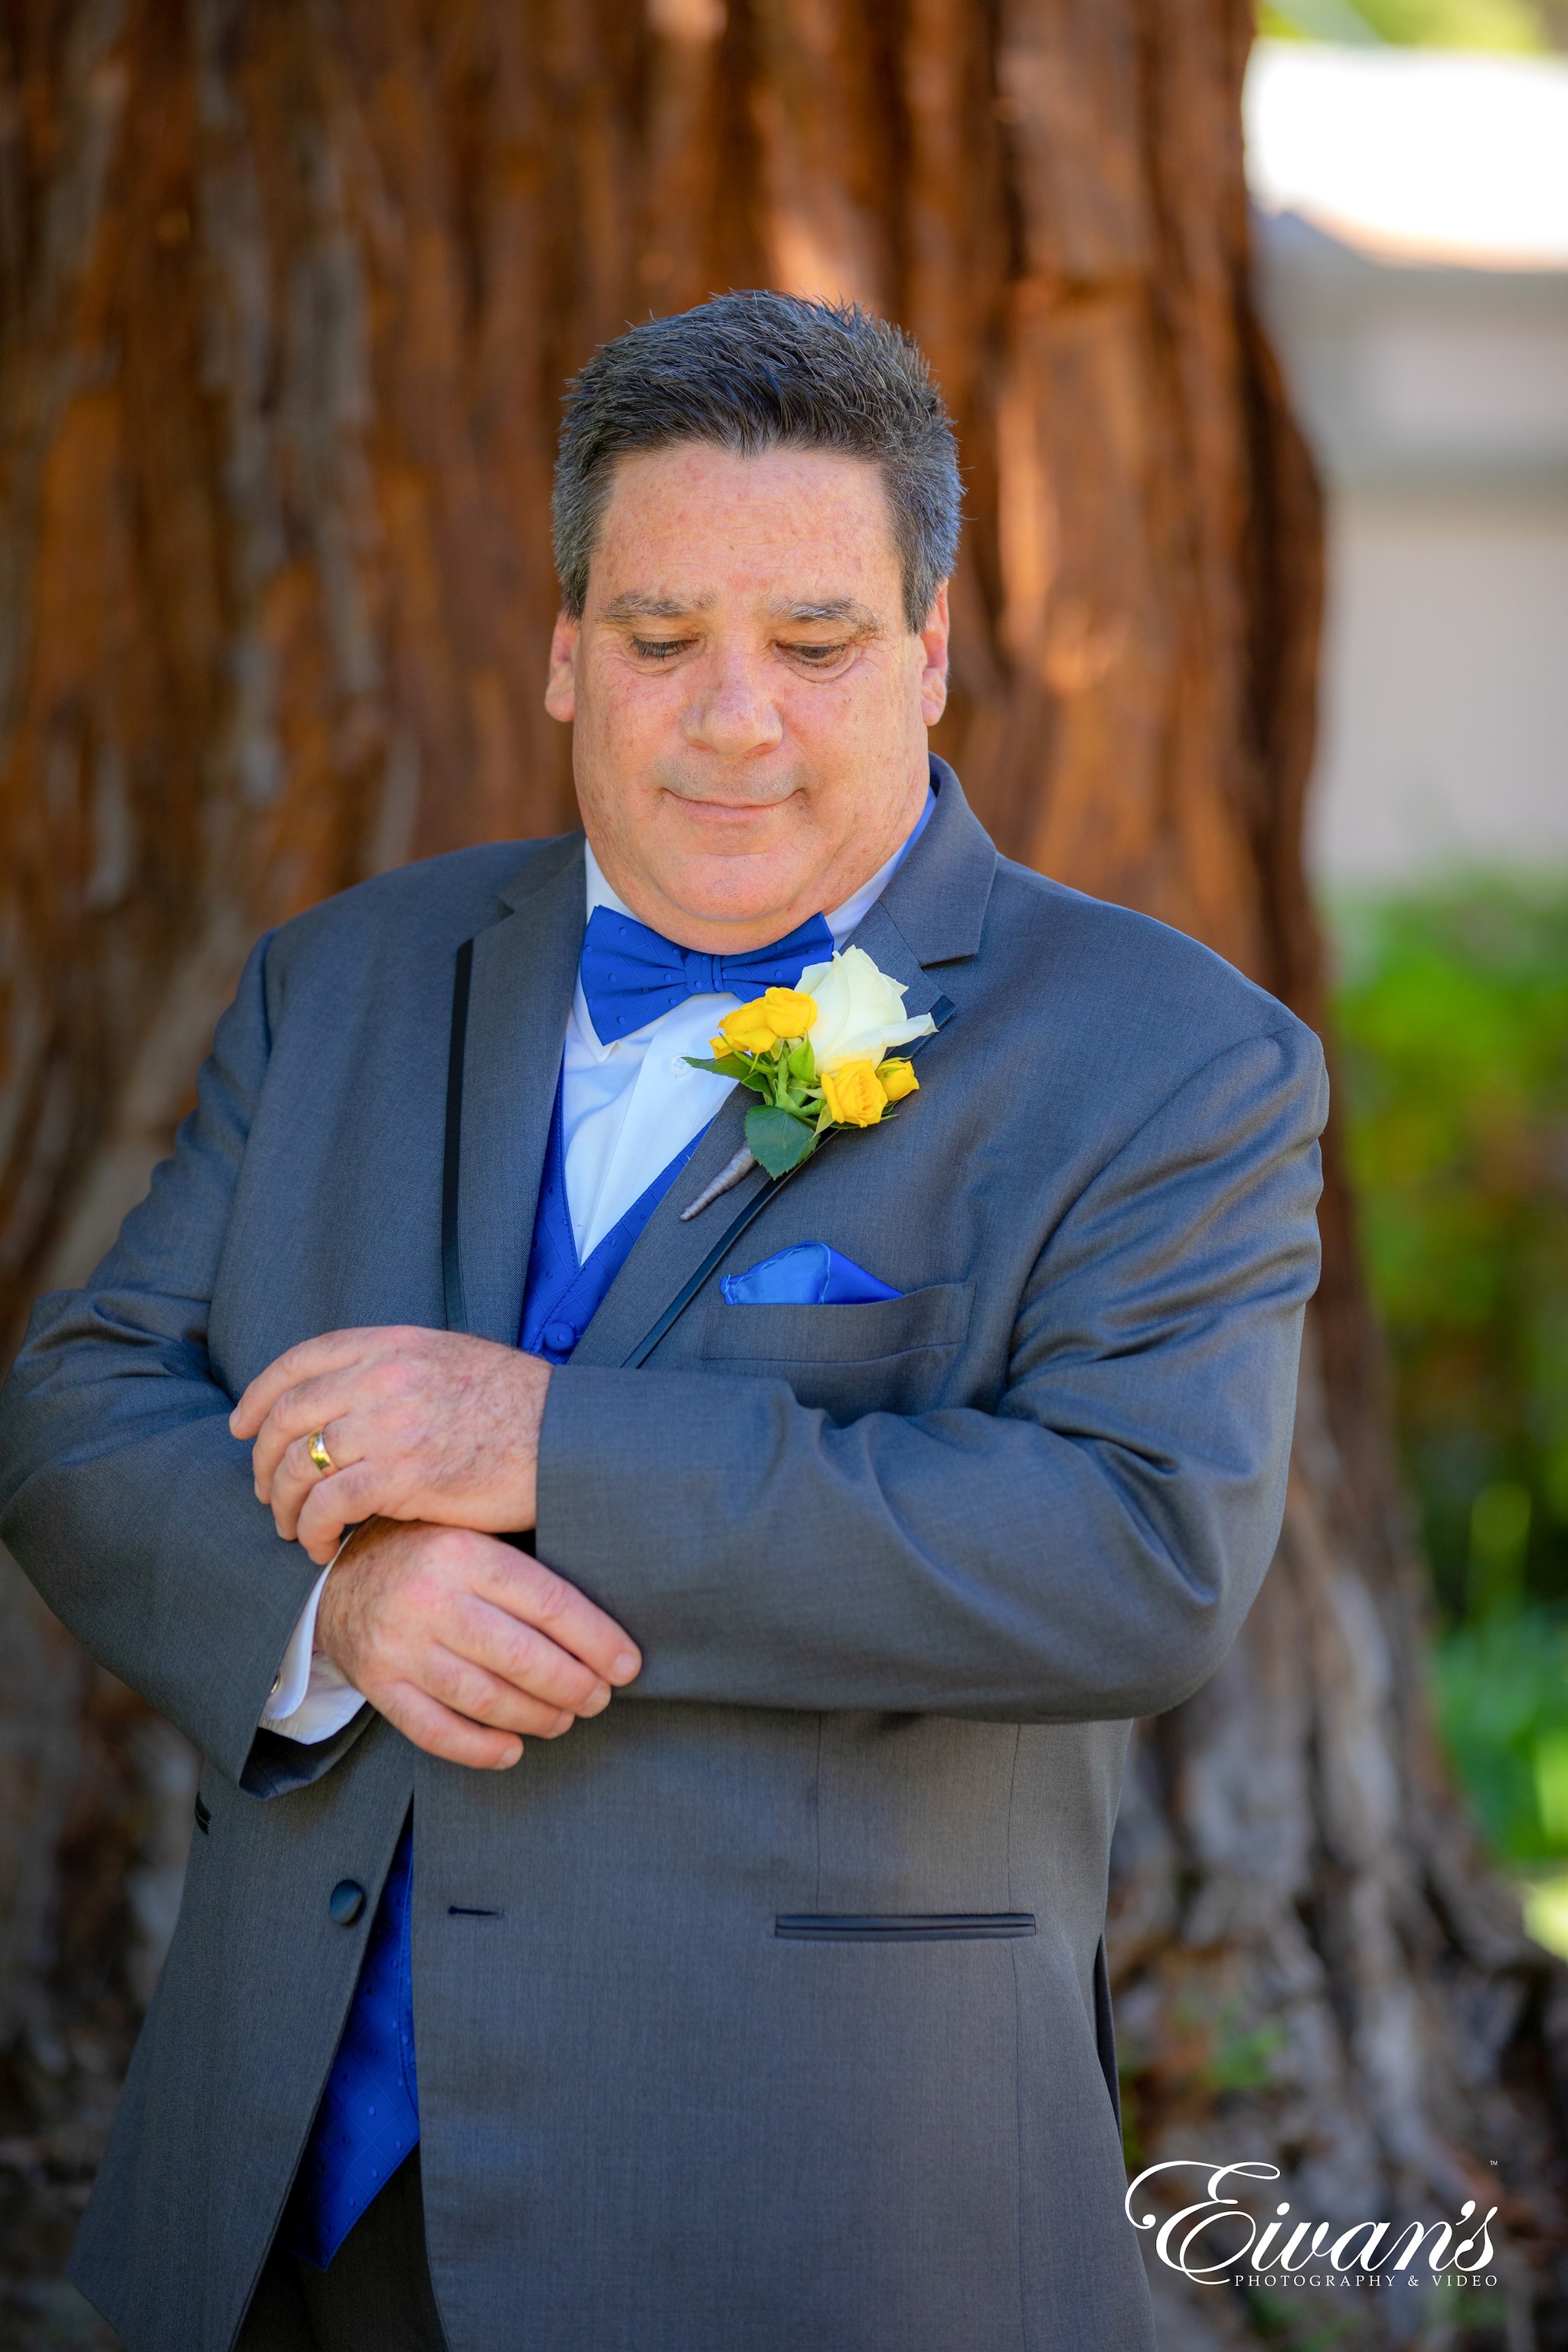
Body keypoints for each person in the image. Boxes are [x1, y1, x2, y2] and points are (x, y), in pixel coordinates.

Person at [0, 292, 1327, 2352]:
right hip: (264, 2191)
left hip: (807, 2218)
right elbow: (84, 1410)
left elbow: (1137, 1557)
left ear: (932, 649)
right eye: (657, 640)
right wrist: (335, 1616)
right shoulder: (341, 978)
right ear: (559, 651)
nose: (733, 718)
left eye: (811, 644)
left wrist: (549, 1450)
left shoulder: (1167, 1061)